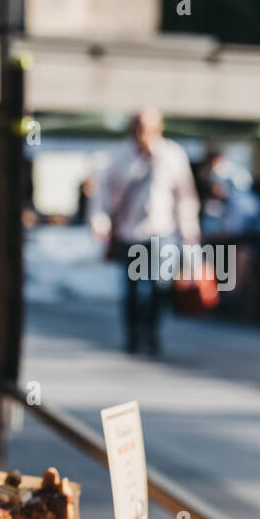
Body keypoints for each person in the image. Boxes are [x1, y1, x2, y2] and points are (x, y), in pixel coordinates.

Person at [90, 108, 201, 356]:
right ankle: (132, 336)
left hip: (162, 232)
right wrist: (101, 221)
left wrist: (189, 229)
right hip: (130, 233)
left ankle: (151, 333)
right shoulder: (119, 157)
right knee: (132, 289)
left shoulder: (172, 155)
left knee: (159, 287)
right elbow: (103, 194)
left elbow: (185, 196)